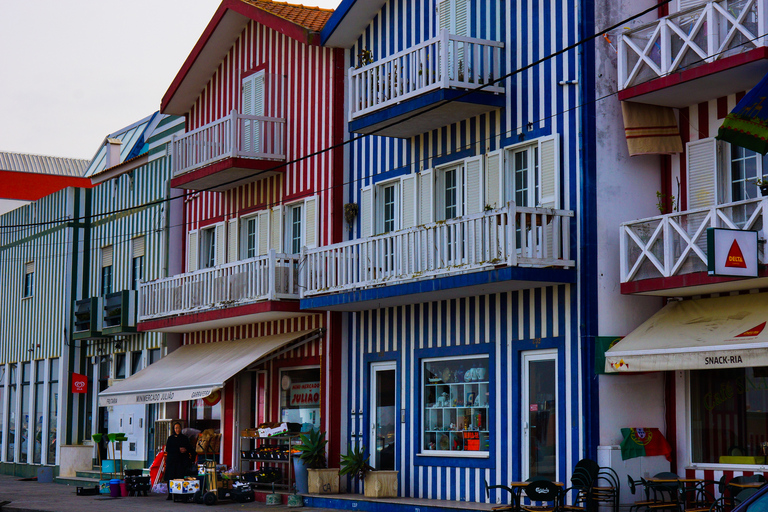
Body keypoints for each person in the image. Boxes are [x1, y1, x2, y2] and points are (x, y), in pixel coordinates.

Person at [165, 421, 193, 500]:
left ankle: (179, 494)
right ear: (174, 429)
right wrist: (178, 449)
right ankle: (170, 494)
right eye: (176, 428)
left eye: (179, 428)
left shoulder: (184, 438)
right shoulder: (170, 438)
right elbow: (168, 449)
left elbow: (189, 447)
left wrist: (185, 450)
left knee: (179, 477)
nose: (177, 429)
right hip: (172, 461)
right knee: (171, 477)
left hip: (181, 461)